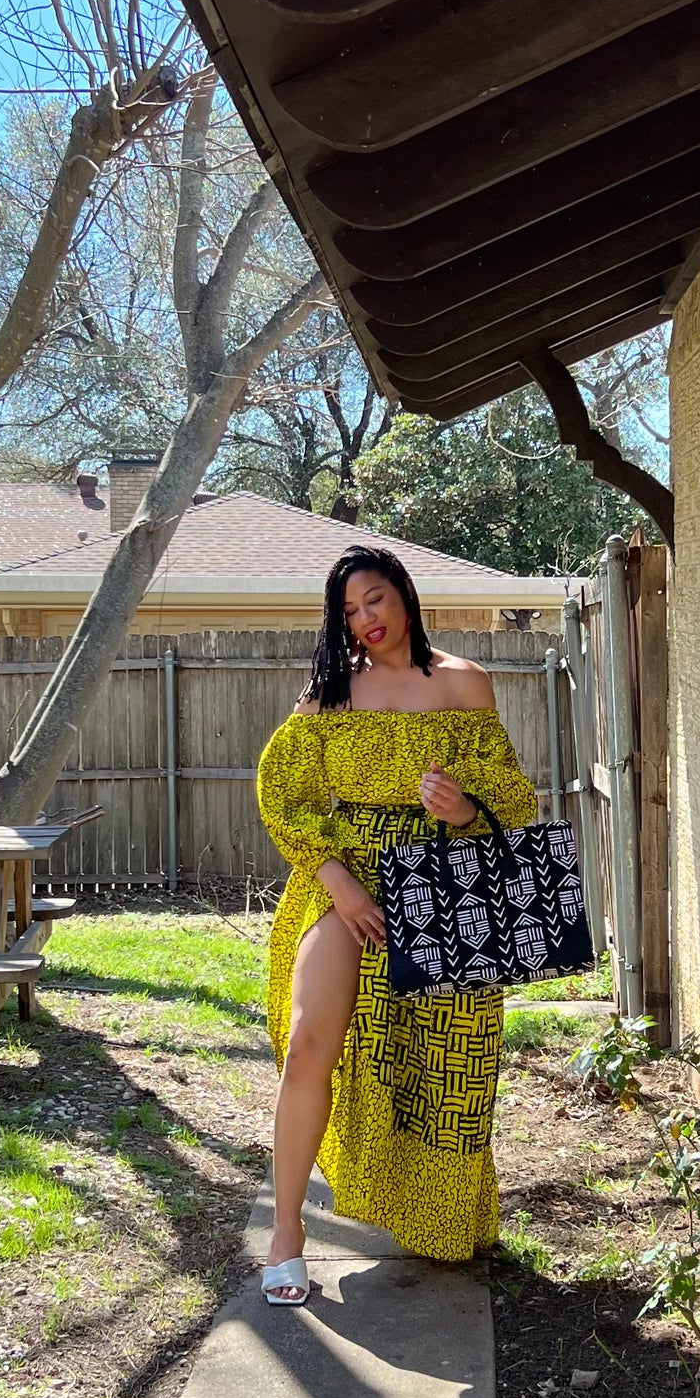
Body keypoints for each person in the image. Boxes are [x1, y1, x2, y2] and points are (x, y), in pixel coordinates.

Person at [255, 546, 536, 1303]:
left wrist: (467, 808)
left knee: (442, 1064)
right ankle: (287, 1234)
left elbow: (515, 801)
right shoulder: (327, 694)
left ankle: (442, 1210)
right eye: (348, 610)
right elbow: (283, 796)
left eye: (373, 600)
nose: (363, 620)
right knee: (312, 1037)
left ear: (405, 596)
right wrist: (336, 881)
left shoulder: (463, 682)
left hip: (446, 881)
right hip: (345, 878)